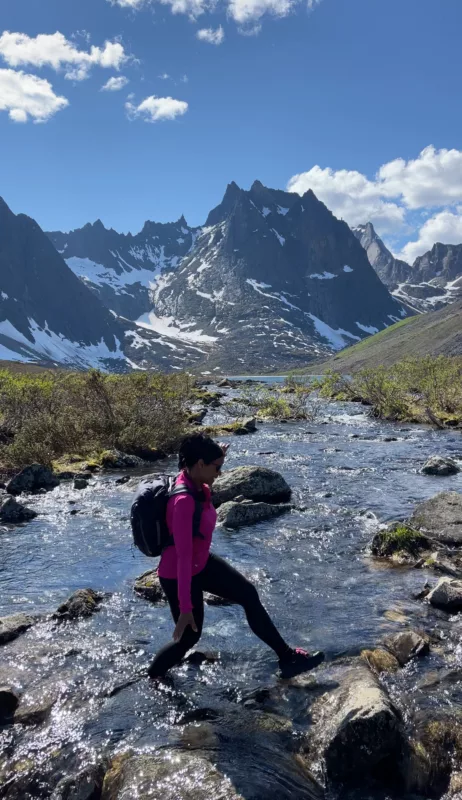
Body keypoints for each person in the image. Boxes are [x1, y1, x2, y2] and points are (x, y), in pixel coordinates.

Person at [148, 433, 324, 680]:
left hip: (200, 563)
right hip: (179, 574)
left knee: (248, 594)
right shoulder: (184, 502)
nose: (219, 473)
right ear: (200, 464)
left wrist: (218, 454)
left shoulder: (195, 480)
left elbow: (205, 466)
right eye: (217, 468)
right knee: (188, 637)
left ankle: (288, 658)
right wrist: (186, 607)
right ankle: (153, 678)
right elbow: (183, 558)